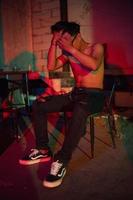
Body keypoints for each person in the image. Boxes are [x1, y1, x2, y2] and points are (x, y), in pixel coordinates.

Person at [19, 21, 104, 188]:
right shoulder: (68, 53)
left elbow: (93, 64)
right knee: (39, 105)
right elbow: (51, 67)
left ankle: (62, 159)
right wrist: (53, 44)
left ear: (77, 35)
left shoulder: (96, 47)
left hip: (94, 95)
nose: (62, 43)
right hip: (76, 93)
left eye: (65, 38)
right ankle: (43, 149)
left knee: (80, 109)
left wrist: (71, 49)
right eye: (60, 39)